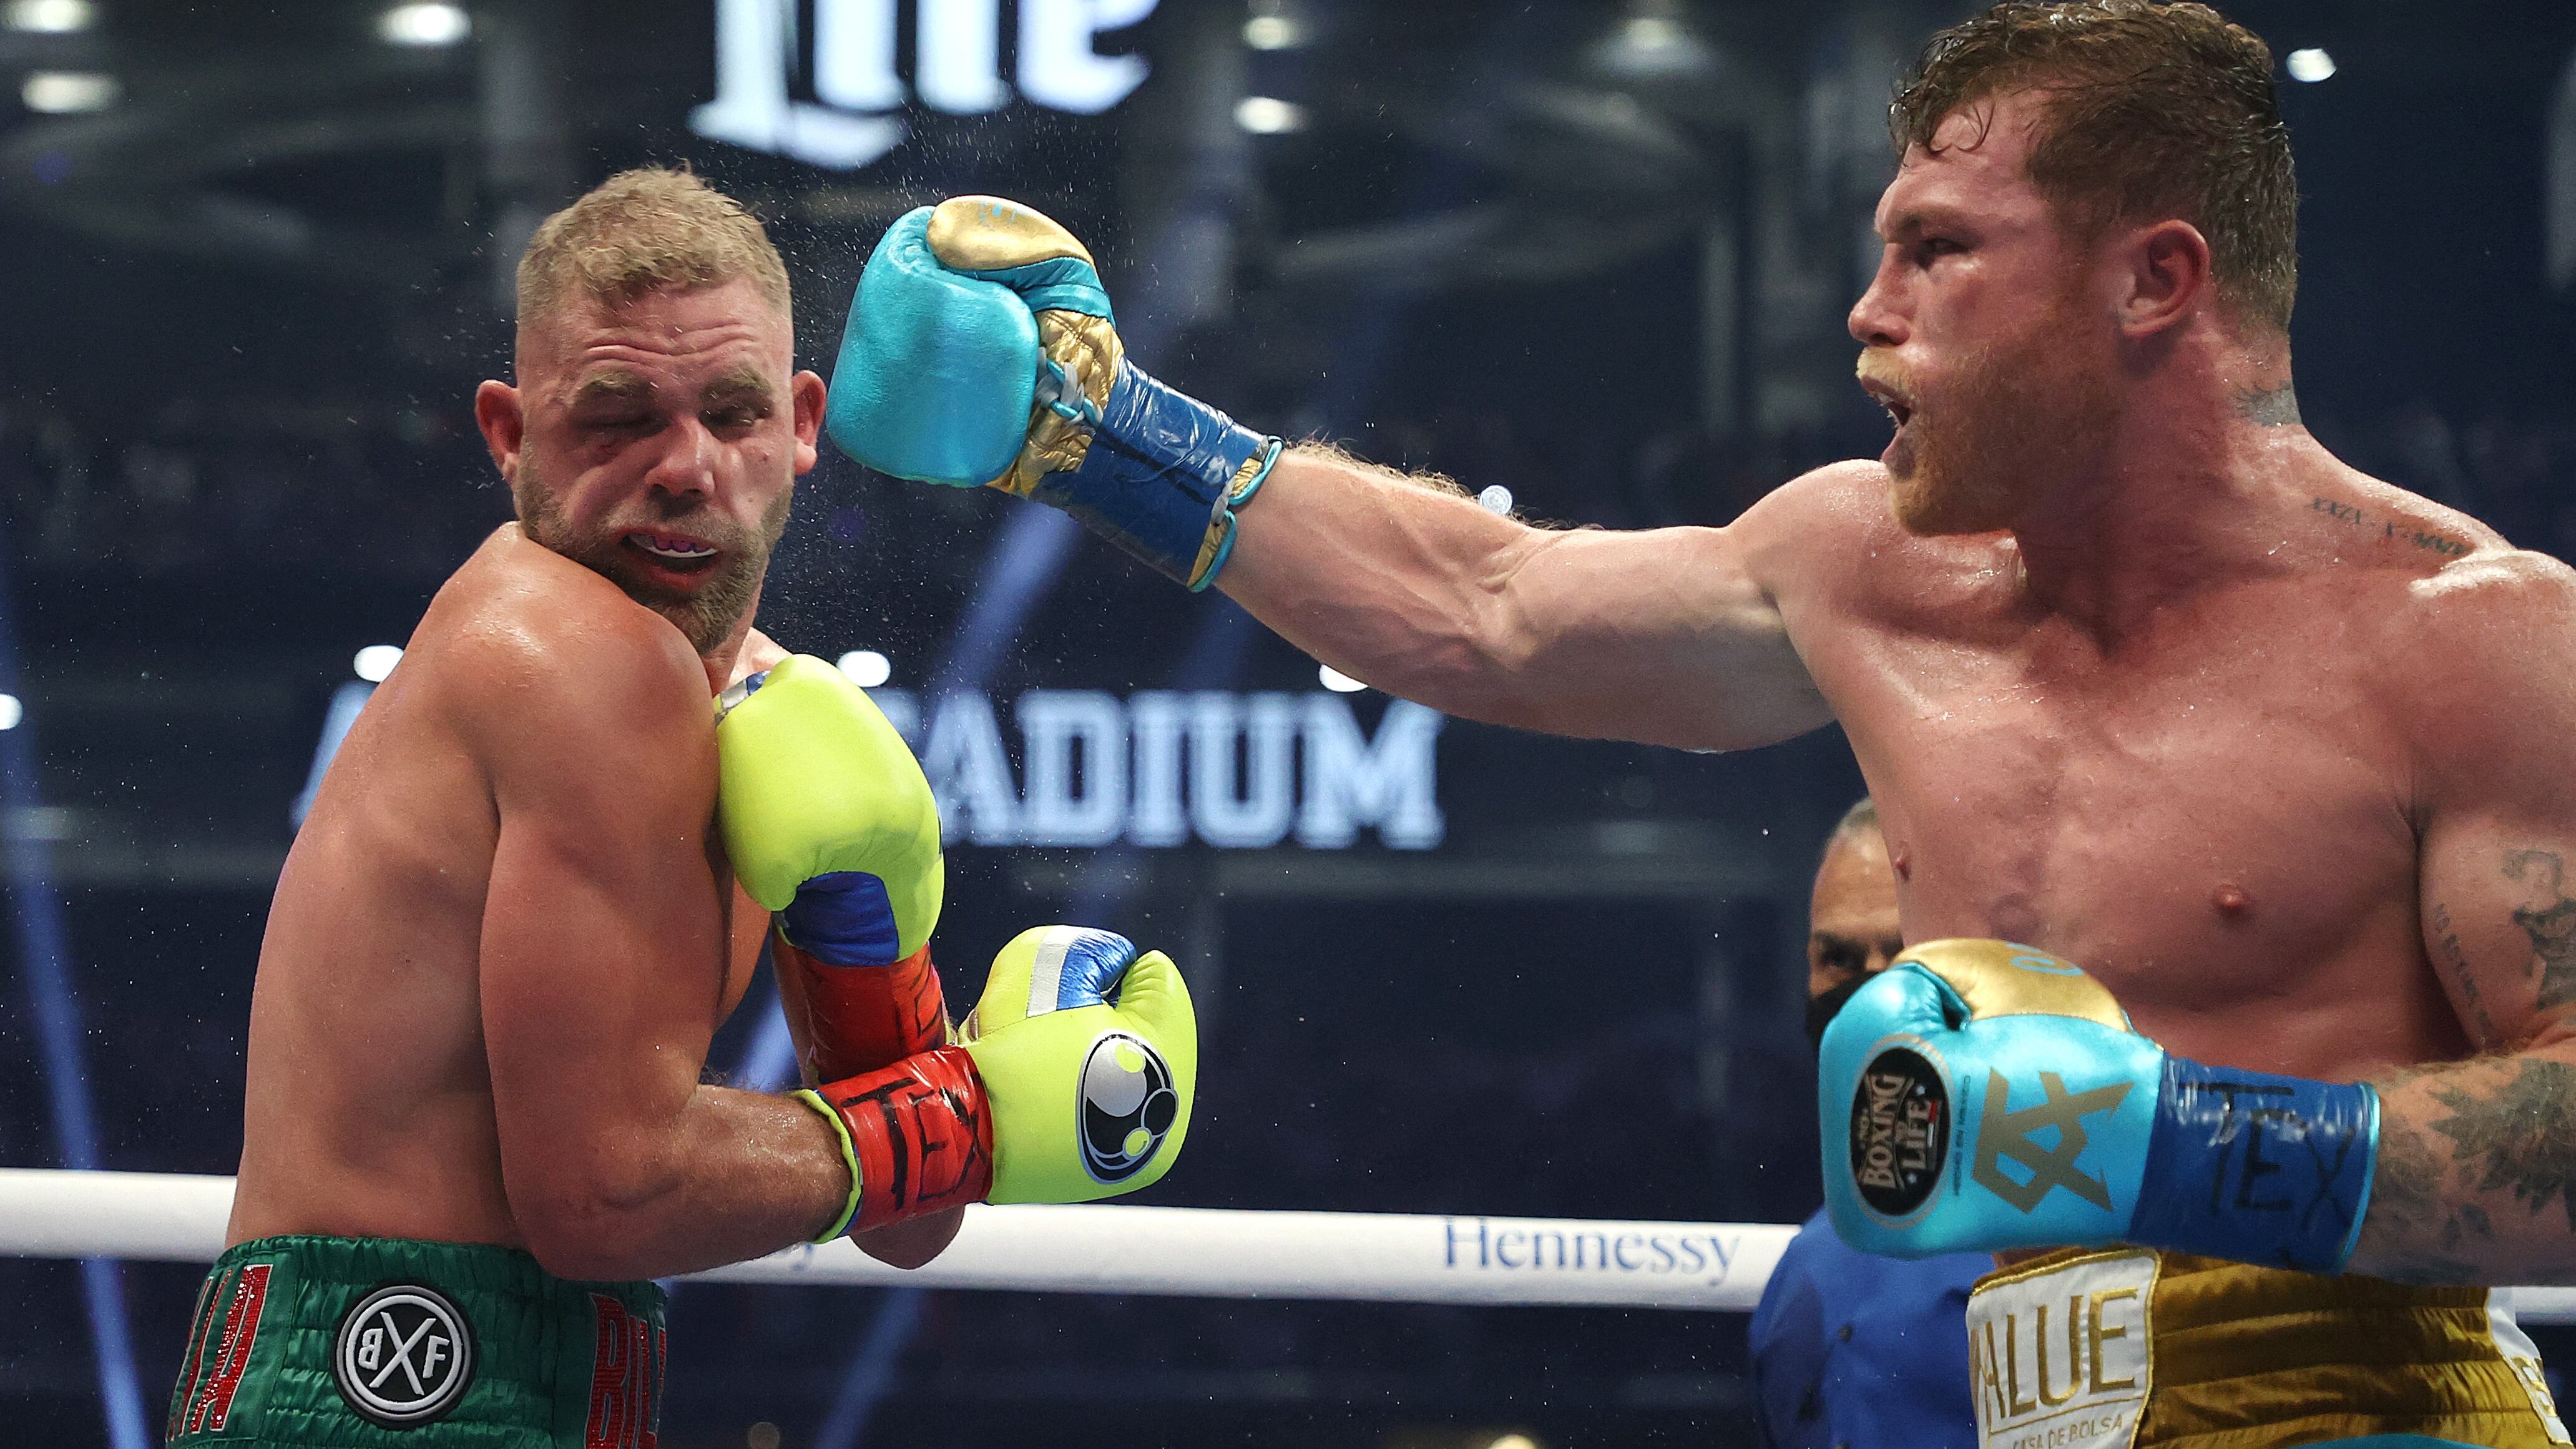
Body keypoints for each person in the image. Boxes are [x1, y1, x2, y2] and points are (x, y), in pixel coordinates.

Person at [835, 1, 2576, 1441]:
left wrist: (2171, 1141)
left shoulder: (2469, 641)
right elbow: (1488, 607)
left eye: (1937, 251)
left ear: (2152, 280)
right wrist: (1097, 430)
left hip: (2359, 1405)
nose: (1867, 313)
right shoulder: (1870, 570)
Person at [165, 169, 1196, 1449]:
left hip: (526, 1380)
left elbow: (903, 1221)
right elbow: (605, 1191)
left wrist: (926, 1037)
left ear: (801, 424)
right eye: (617, 418)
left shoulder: (763, 711)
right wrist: (974, 1114)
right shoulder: (570, 656)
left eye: (730, 411)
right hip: (383, 1387)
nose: (685, 466)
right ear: (508, 433)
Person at [1750, 798, 1985, 1449]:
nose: (1876, 996)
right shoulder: (1804, 1269)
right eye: (1840, 959)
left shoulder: (2073, 1232)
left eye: (1908, 956)